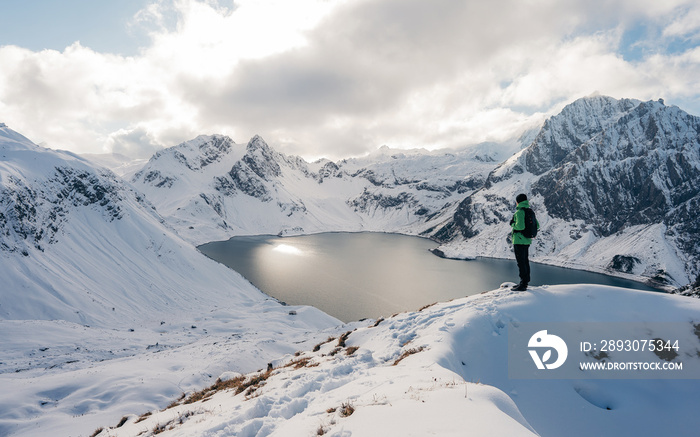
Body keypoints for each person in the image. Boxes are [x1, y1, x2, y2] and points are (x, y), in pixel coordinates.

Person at [510, 193, 537, 291]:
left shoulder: (519, 212)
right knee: (525, 261)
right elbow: (536, 226)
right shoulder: (530, 211)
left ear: (518, 202)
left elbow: (520, 226)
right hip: (527, 240)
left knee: (520, 262)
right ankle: (525, 282)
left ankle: (523, 284)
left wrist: (513, 224)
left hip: (519, 240)